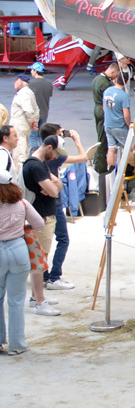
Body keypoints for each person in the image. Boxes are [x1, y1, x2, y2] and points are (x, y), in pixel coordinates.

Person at [35, 124, 87, 293]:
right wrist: (77, 141)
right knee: (62, 239)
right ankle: (54, 277)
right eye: (60, 136)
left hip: (39, 204)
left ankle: (43, 275)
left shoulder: (35, 155)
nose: (63, 138)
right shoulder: (55, 157)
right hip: (54, 203)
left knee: (42, 242)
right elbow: (83, 157)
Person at [0, 164, 43, 354]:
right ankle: (17, 345)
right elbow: (39, 224)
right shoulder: (22, 204)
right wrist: (23, 228)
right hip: (18, 249)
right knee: (16, 301)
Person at [21, 138, 62, 314]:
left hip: (42, 216)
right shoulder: (36, 166)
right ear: (49, 147)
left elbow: (58, 184)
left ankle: (35, 297)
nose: (57, 157)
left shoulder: (40, 163)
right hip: (40, 218)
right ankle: (39, 301)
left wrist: (55, 186)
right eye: (56, 153)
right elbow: (54, 190)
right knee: (38, 261)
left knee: (41, 259)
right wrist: (54, 187)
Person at [102, 66, 131, 172]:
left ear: (115, 79)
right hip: (119, 126)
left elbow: (104, 108)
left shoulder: (107, 91)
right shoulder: (124, 96)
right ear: (126, 81)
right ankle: (126, 170)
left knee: (111, 148)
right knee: (127, 148)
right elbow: (126, 114)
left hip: (108, 124)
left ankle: (110, 170)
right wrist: (129, 125)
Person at [89, 60, 113, 175]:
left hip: (97, 108)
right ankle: (100, 166)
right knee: (103, 139)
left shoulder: (97, 79)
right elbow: (107, 102)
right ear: (112, 72)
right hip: (103, 110)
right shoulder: (105, 84)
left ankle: (98, 163)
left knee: (100, 136)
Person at [9, 75, 37, 159]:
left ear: (21, 82)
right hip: (22, 124)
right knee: (24, 148)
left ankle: (20, 171)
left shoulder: (24, 94)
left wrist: (32, 122)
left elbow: (29, 110)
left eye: (16, 81)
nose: (14, 83)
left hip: (20, 125)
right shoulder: (28, 92)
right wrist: (33, 121)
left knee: (19, 151)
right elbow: (35, 110)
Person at [27, 61, 52, 128]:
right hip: (44, 113)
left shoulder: (30, 84)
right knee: (41, 134)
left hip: (34, 114)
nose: (31, 71)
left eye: (32, 70)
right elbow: (49, 95)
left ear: (35, 71)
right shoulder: (49, 83)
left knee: (33, 136)